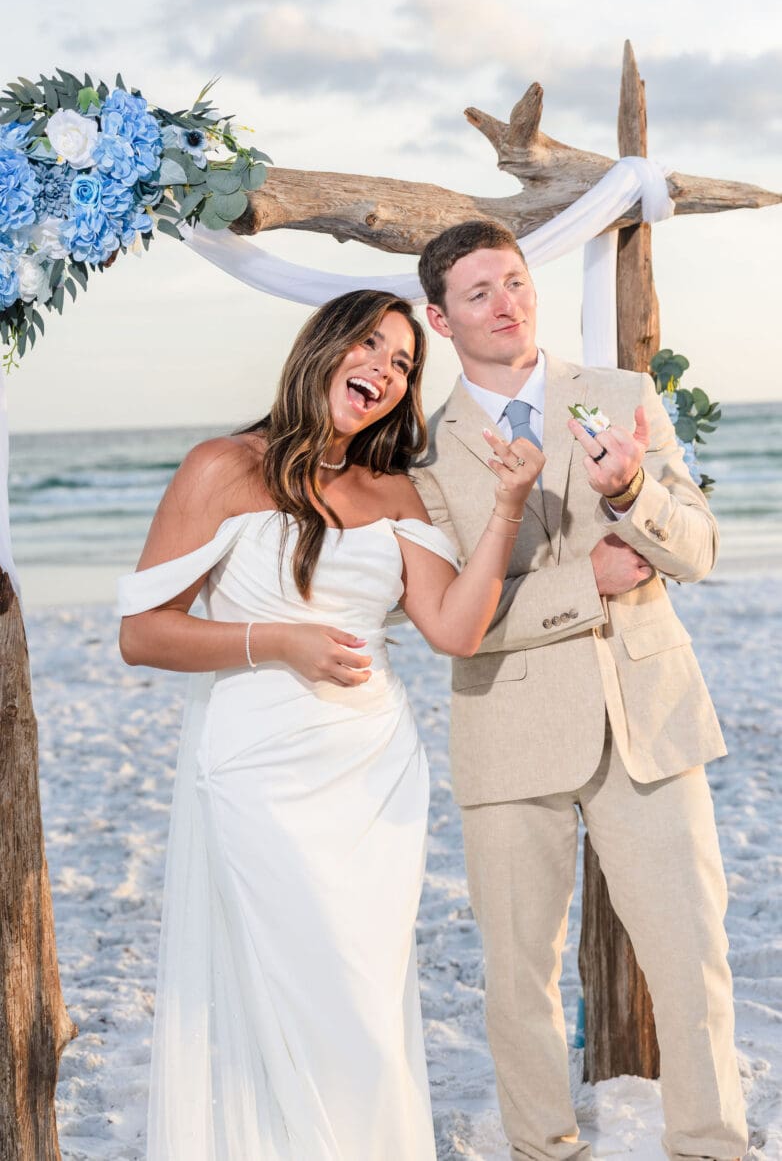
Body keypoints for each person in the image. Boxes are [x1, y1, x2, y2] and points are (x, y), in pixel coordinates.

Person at [117, 288, 543, 1161]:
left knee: (366, 997)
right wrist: (279, 641)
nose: (385, 372)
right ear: (324, 346)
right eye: (370, 347)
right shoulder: (222, 466)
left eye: (403, 363)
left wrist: (504, 511)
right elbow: (143, 633)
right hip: (258, 770)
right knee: (303, 990)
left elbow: (454, 630)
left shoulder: (394, 491)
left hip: (372, 774)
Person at [412, 221, 748, 1161]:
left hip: (647, 713)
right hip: (506, 727)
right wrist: (579, 583)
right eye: (478, 293)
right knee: (518, 977)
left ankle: (712, 1145)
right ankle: (543, 1149)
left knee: (694, 958)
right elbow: (449, 618)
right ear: (441, 319)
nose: (506, 302)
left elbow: (698, 551)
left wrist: (636, 485)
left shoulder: (621, 396)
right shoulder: (422, 457)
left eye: (514, 281)